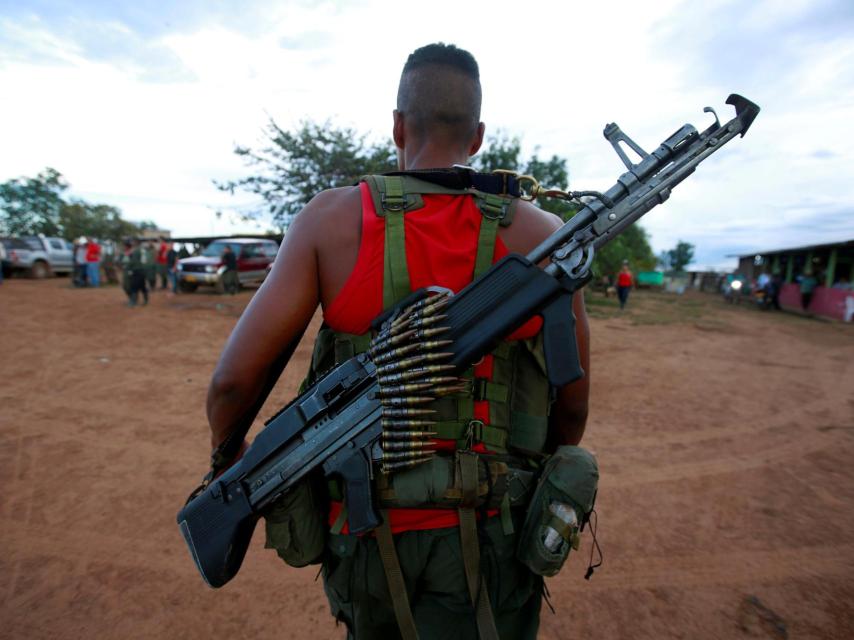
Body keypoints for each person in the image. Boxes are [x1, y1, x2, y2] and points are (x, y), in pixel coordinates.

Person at [204, 43, 590, 639]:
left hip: (365, 542)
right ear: (479, 136)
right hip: (497, 534)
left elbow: (232, 385)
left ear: (396, 126)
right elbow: (573, 407)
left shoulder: (329, 221)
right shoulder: (543, 235)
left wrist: (227, 461)